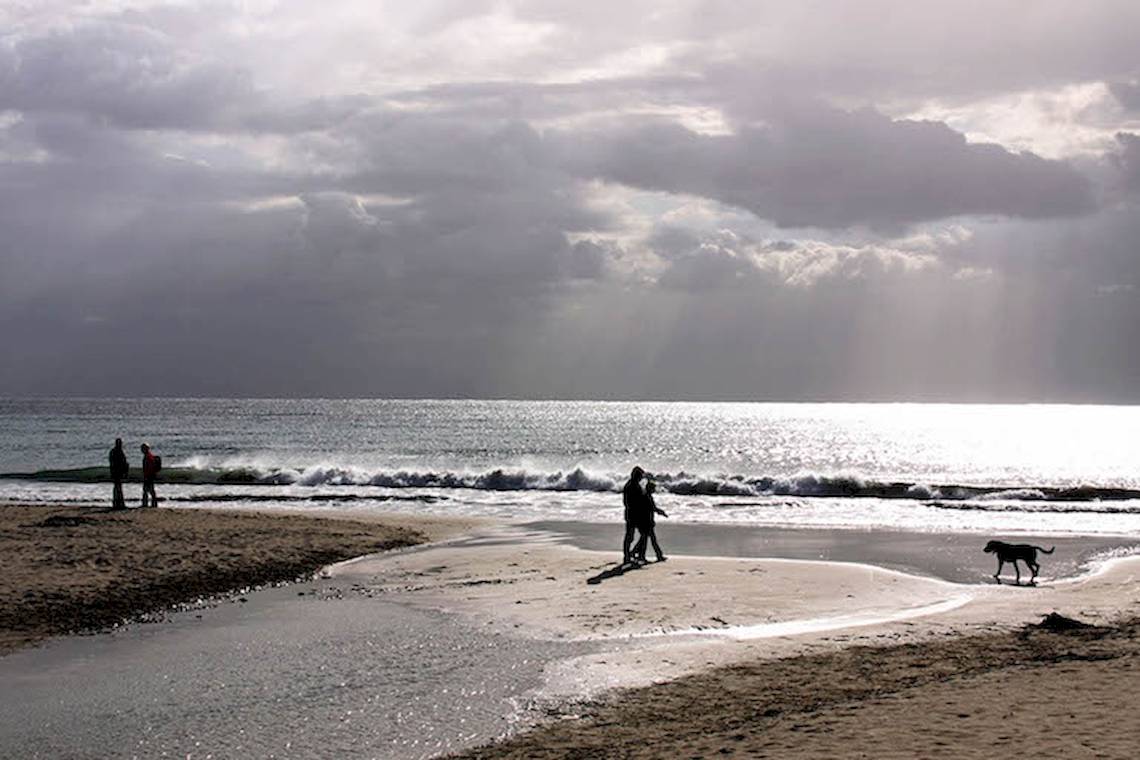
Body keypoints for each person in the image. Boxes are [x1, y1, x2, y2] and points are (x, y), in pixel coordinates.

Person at [632, 480, 668, 563]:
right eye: (653, 488)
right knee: (650, 539)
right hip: (646, 522)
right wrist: (661, 512)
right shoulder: (647, 497)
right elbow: (652, 508)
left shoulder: (645, 496)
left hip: (646, 521)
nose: (654, 490)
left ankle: (635, 553)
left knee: (645, 539)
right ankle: (654, 555)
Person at [621, 466, 646, 565]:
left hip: (632, 514)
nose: (641, 478)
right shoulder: (632, 486)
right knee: (633, 536)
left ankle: (630, 554)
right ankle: (629, 555)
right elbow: (630, 502)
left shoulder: (632, 485)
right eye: (640, 476)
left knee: (633, 535)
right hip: (633, 514)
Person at [109, 438, 129, 510]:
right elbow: (123, 462)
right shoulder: (119, 452)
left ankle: (117, 503)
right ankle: (119, 503)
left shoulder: (113, 451)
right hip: (118, 472)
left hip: (115, 472)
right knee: (118, 487)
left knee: (117, 487)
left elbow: (112, 463)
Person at [140, 443, 160, 508]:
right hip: (150, 475)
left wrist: (146, 475)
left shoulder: (148, 457)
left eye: (142, 448)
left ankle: (147, 503)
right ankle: (152, 503)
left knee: (148, 490)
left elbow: (148, 467)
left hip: (149, 475)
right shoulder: (149, 456)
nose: (141, 450)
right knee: (149, 490)